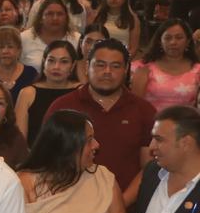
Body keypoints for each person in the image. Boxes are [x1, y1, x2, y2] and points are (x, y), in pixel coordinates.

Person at [47, 38, 155, 192]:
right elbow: (49, 161)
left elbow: (148, 169)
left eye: (115, 66)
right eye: (100, 65)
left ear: (126, 70)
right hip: (70, 199)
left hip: (128, 201)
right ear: (87, 67)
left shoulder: (144, 110)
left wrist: (121, 202)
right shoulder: (62, 107)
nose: (107, 72)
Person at [15, 40, 79, 144]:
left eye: (64, 62)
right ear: (44, 62)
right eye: (51, 60)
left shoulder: (80, 92)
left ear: (73, 65)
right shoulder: (28, 93)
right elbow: (19, 142)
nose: (56, 67)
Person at [130, 19, 200, 112]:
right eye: (168, 38)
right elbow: (135, 107)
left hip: (186, 120)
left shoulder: (197, 70)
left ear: (188, 41)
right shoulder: (143, 68)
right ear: (160, 41)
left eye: (179, 37)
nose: (173, 42)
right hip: (151, 120)